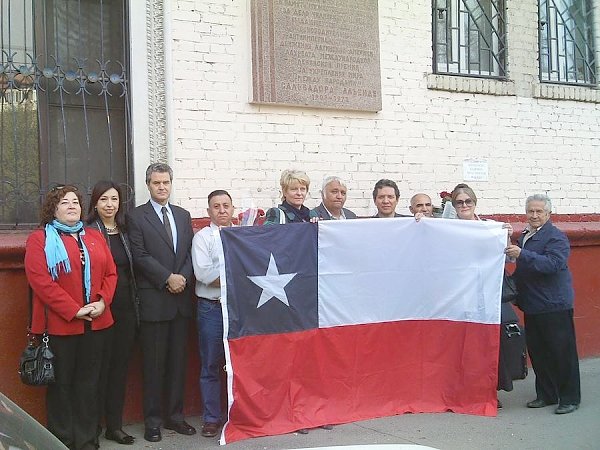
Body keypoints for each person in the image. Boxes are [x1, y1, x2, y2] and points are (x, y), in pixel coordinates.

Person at [24, 185, 117, 450]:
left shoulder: (94, 236)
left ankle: (87, 441)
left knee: (89, 386)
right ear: (53, 208)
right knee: (61, 387)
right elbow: (40, 281)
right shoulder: (39, 239)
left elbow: (111, 273)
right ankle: (62, 441)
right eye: (64, 202)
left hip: (97, 323)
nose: (72, 206)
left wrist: (101, 302)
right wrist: (74, 310)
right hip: (60, 325)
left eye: (75, 202)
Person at [127, 163, 196, 442]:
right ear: (148, 185)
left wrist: (183, 278)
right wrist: (167, 277)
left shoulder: (182, 215)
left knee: (178, 363)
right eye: (156, 183)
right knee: (154, 366)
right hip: (155, 299)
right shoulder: (136, 216)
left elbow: (191, 252)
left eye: (166, 182)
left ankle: (175, 417)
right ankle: (153, 421)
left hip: (181, 302)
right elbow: (139, 255)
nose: (162, 187)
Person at [505, 194, 580, 415]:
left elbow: (554, 264)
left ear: (548, 214)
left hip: (554, 304)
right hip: (533, 303)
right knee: (539, 353)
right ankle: (547, 395)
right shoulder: (527, 235)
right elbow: (521, 261)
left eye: (539, 211)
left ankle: (569, 398)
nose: (534, 215)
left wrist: (522, 253)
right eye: (531, 211)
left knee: (561, 353)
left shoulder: (556, 237)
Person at [451, 184, 515, 404]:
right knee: (463, 345)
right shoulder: (447, 229)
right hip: (460, 297)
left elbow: (509, 259)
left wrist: (506, 237)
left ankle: (489, 391)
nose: (464, 205)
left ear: (475, 202)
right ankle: (466, 391)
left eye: (468, 201)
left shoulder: (489, 227)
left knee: (486, 343)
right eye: (459, 202)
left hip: (486, 296)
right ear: (453, 206)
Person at [86, 181, 138, 445]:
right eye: (104, 199)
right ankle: (92, 426)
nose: (109, 204)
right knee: (97, 369)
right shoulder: (87, 231)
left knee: (119, 369)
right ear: (95, 203)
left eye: (114, 199)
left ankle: (114, 427)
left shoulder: (126, 230)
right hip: (99, 308)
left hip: (126, 308)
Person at [191, 190, 235, 438]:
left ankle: (236, 413)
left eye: (226, 205)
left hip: (237, 308)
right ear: (209, 212)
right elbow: (204, 275)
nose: (221, 210)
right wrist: (235, 277)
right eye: (216, 206)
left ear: (232, 209)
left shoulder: (242, 236)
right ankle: (211, 418)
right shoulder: (202, 238)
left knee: (238, 362)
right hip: (212, 308)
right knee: (211, 363)